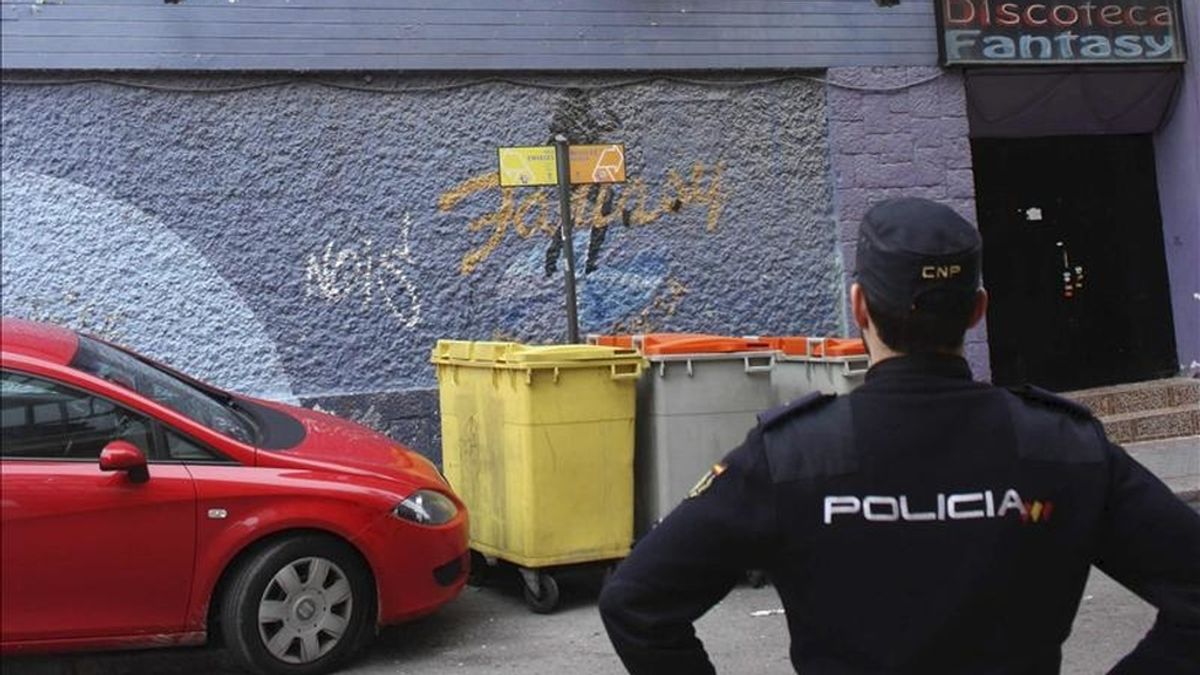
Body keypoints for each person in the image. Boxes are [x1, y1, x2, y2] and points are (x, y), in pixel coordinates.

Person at [598, 197, 1200, 674]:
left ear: (859, 307)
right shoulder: (1064, 448)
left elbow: (637, 603)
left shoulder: (793, 455)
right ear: (977, 309)